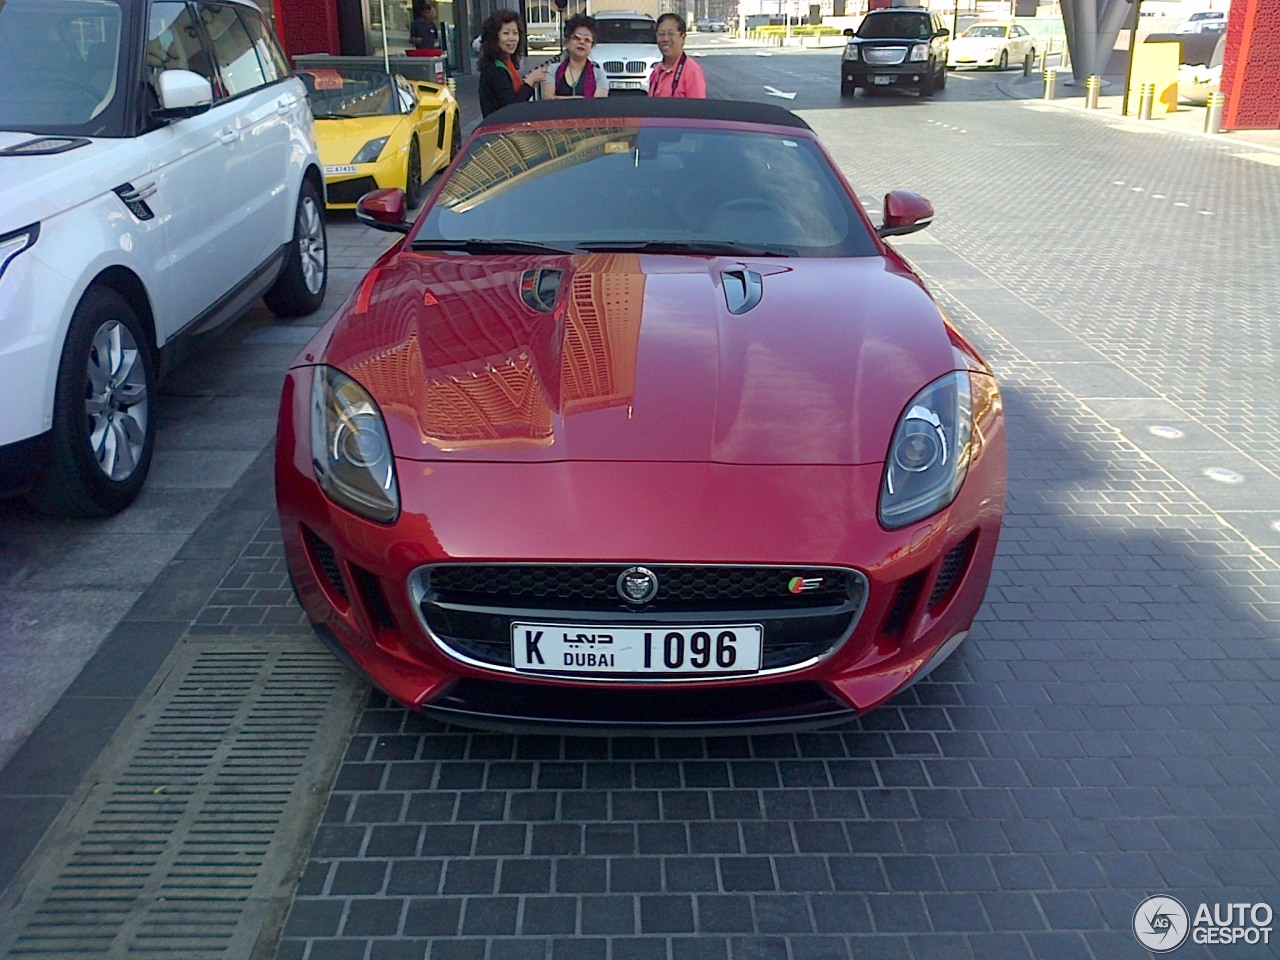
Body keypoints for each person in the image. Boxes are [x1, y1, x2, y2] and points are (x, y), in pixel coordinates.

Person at [477, 9, 548, 117]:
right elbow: (511, 108)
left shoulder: (506, 63)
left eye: (515, 33)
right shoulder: (496, 69)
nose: (512, 39)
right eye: (506, 33)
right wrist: (530, 81)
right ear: (494, 37)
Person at [542, 15, 609, 100]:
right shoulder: (552, 70)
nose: (581, 42)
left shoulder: (599, 75)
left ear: (592, 46)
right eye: (577, 38)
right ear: (567, 42)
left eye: (587, 40)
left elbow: (598, 106)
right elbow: (548, 99)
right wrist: (580, 99)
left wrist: (559, 98)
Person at [647, 13, 706, 98]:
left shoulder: (692, 72)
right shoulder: (657, 71)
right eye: (661, 34)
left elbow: (698, 109)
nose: (665, 39)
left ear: (683, 37)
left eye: (671, 34)